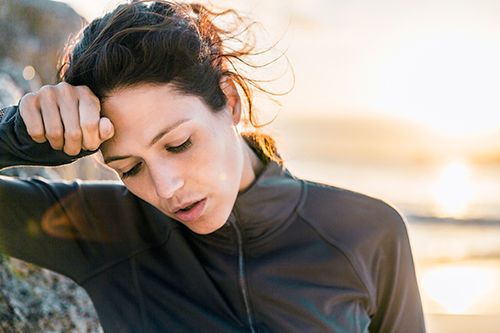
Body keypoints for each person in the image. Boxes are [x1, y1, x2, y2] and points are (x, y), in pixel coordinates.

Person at [0, 1, 426, 332]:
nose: (166, 187)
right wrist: (18, 137)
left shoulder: (369, 234)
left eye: (179, 143)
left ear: (232, 100)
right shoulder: (102, 230)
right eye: (129, 168)